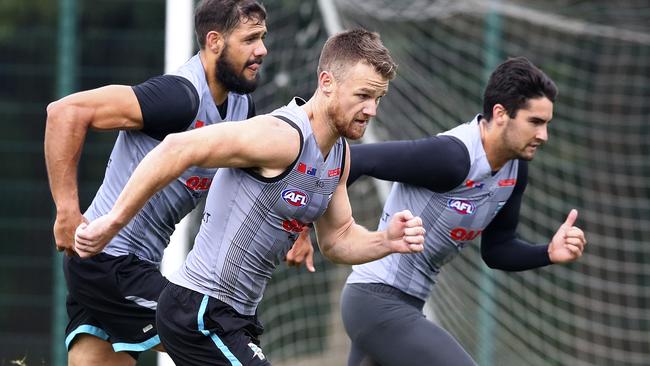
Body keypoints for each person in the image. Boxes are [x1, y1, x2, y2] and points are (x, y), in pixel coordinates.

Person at [74, 28, 427, 365]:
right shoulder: (280, 135)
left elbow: (338, 239)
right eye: (363, 96)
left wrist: (385, 240)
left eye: (378, 98)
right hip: (200, 311)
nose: (372, 110)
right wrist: (114, 221)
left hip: (236, 318)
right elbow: (176, 147)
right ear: (327, 84)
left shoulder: (339, 155)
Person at [44, 1, 269, 364]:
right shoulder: (178, 97)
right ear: (214, 41)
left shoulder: (242, 108)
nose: (262, 50)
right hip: (109, 262)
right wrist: (67, 211)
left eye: (263, 38)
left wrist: (301, 229)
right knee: (222, 345)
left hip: (125, 266)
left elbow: (263, 176)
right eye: (250, 39)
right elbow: (65, 112)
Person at [339, 57, 588, 366]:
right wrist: (306, 228)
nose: (543, 135)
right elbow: (355, 159)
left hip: (405, 307)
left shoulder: (514, 171)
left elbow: (497, 250)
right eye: (535, 122)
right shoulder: (452, 158)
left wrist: (548, 252)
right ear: (500, 114)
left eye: (547, 124)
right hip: (375, 301)